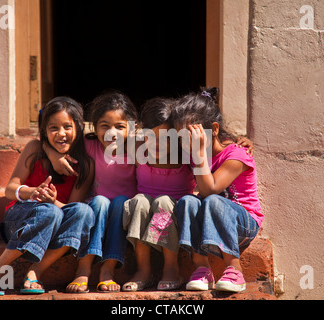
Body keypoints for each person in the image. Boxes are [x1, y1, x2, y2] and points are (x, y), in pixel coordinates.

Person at [0, 97, 95, 296]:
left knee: (84, 211)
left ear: (78, 127)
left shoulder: (85, 165)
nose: (61, 134)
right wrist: (32, 192)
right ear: (44, 130)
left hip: (56, 223)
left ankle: (36, 270)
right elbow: (10, 190)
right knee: (50, 212)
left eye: (67, 126)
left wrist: (53, 201)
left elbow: (72, 209)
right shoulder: (34, 149)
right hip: (21, 221)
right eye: (53, 128)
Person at [46, 90, 138, 293]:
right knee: (101, 201)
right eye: (104, 126)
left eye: (120, 127)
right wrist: (54, 156)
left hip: (124, 215)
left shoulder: (138, 150)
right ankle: (84, 266)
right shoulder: (89, 146)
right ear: (94, 128)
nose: (111, 132)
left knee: (120, 200)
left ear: (132, 129)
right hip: (96, 211)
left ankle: (108, 268)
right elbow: (44, 141)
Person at [173, 87, 262, 293]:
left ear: (213, 129)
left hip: (243, 223)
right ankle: (202, 268)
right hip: (209, 220)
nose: (186, 142)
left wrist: (198, 154)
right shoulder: (191, 155)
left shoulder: (237, 155)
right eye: (181, 137)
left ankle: (234, 269)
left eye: (192, 135)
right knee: (187, 201)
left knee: (213, 200)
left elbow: (210, 190)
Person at [122, 98, 196, 291]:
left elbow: (220, 142)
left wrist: (237, 140)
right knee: (139, 201)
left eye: (167, 138)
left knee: (162, 202)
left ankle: (171, 268)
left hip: (175, 222)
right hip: (145, 219)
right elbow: (96, 142)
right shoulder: (138, 151)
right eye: (151, 136)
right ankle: (143, 270)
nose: (158, 144)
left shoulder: (187, 156)